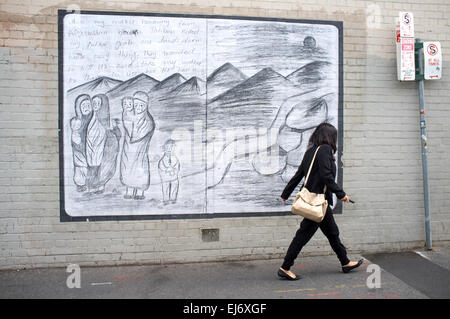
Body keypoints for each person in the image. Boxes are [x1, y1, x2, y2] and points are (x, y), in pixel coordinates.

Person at [278, 122, 363, 280]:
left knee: (332, 233)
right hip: (316, 203)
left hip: (320, 202)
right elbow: (326, 175)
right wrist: (340, 194)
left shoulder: (310, 152)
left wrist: (285, 193)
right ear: (329, 136)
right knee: (302, 236)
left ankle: (345, 262)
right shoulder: (325, 150)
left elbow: (298, 175)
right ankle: (285, 267)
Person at [120, 91, 155, 200]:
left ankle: (140, 191)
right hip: (128, 151)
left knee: (140, 168)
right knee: (127, 168)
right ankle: (129, 189)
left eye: (141, 105)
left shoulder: (148, 121)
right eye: (136, 105)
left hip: (140, 151)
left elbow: (135, 136)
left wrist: (128, 121)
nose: (138, 108)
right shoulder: (129, 115)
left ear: (146, 106)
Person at [71, 94, 93, 192]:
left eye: (88, 105)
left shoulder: (93, 119)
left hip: (90, 147)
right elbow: (75, 135)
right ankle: (80, 184)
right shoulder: (77, 121)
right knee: (81, 167)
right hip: (79, 148)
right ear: (78, 107)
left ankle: (90, 183)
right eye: (83, 106)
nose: (86, 108)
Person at [158, 139, 180, 204]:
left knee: (174, 187)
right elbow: (161, 166)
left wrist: (173, 170)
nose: (169, 150)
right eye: (167, 148)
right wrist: (166, 170)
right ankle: (166, 200)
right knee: (165, 188)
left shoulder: (175, 158)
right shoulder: (163, 159)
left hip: (174, 177)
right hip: (165, 177)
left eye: (172, 148)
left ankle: (173, 199)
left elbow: (177, 167)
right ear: (164, 149)